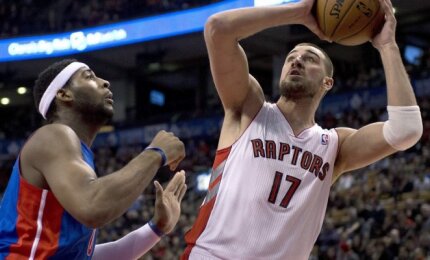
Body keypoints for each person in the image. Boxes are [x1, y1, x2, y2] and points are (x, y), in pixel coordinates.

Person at [182, 0, 423, 259]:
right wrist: (298, 13)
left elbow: (406, 130)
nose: (297, 62)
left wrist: (387, 46)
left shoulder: (335, 146)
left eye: (309, 59)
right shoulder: (249, 108)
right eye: (291, 58)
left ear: (327, 82)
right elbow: (217, 29)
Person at [0, 59, 187, 259]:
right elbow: (93, 207)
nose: (105, 82)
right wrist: (155, 152)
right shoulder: (53, 136)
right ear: (63, 94)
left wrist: (156, 229)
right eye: (89, 76)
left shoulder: (77, 159)